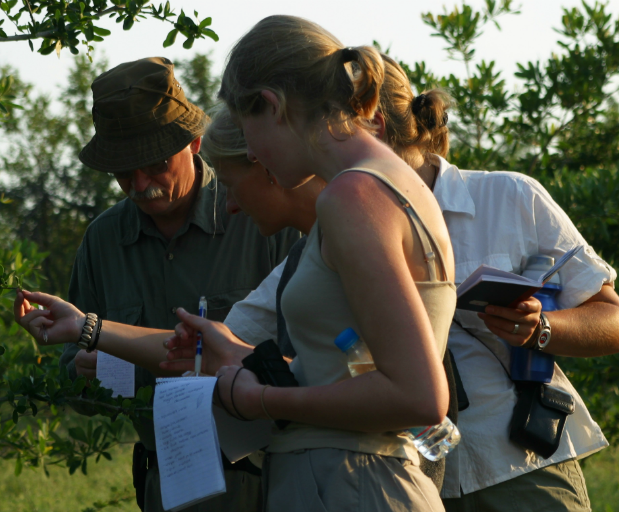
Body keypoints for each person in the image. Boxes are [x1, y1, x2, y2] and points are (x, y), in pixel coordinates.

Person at [167, 51, 619, 512]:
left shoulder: (509, 196)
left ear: (372, 123)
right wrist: (95, 333)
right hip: (409, 477)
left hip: (521, 467)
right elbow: (224, 337)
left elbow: (612, 319)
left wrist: (542, 328)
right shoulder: (334, 231)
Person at [198, 15, 456, 511]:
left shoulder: (354, 195)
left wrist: (260, 400)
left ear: (272, 106)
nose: (251, 152)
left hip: (351, 484)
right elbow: (362, 367)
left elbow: (420, 398)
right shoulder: (385, 183)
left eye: (247, 131)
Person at [32, 56, 300, 512]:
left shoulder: (262, 216)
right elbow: (79, 377)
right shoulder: (103, 241)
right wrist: (92, 370)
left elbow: (311, 363)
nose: (140, 184)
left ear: (194, 143)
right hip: (165, 485)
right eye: (123, 170)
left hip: (269, 481)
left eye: (154, 164)